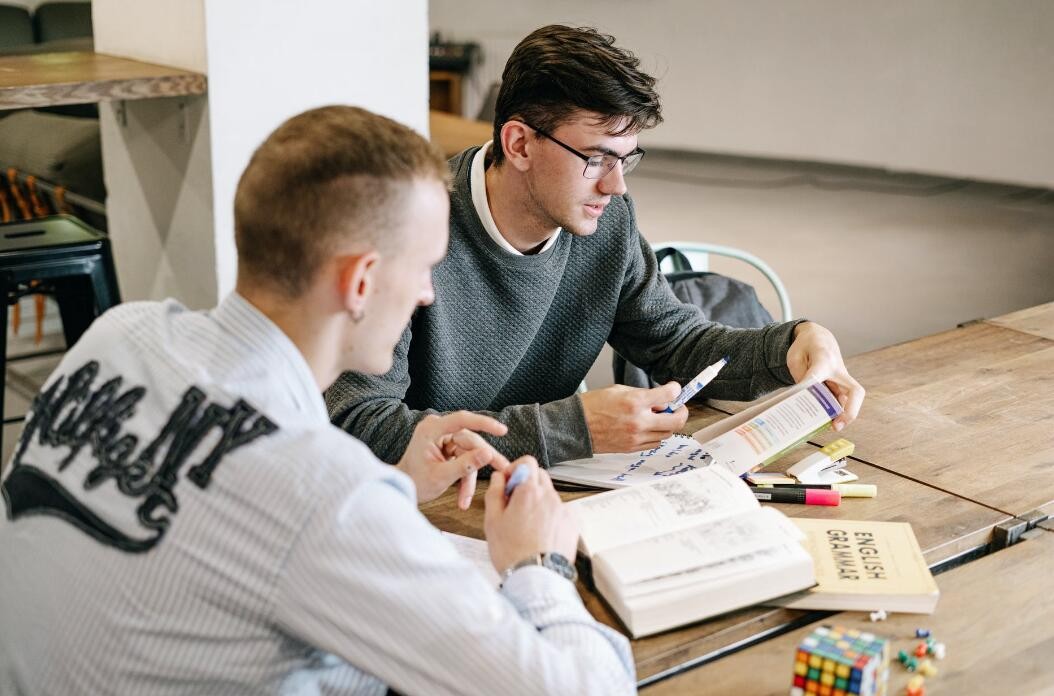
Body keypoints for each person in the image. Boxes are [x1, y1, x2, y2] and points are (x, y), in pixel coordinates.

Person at [0, 106, 635, 695]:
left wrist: (393, 485)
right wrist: (538, 564)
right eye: (423, 268)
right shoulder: (323, 496)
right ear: (360, 282)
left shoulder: (117, 335)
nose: (425, 295)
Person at [327, 24, 865, 467]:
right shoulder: (410, 228)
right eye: (596, 158)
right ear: (519, 144)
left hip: (545, 497)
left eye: (625, 158)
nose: (616, 185)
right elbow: (359, 422)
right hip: (427, 511)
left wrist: (792, 345)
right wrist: (573, 427)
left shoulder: (604, 224)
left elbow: (677, 343)